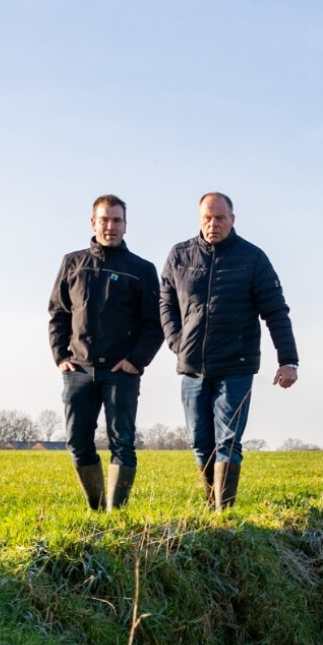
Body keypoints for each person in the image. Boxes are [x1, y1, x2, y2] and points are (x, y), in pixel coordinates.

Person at [160, 193, 299, 510]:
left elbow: (276, 311)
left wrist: (288, 361)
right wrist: (177, 343)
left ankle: (225, 514)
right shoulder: (180, 255)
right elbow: (165, 303)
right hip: (192, 366)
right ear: (199, 218)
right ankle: (211, 508)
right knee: (200, 443)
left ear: (232, 219)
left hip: (236, 366)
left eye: (220, 218)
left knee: (228, 442)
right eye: (207, 218)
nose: (213, 224)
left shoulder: (252, 258)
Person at [49, 195, 163, 510]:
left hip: (120, 372)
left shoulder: (142, 269)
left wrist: (136, 361)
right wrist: (61, 356)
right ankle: (96, 509)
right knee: (77, 442)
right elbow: (58, 314)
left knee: (122, 443)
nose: (110, 226)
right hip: (79, 370)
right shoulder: (73, 263)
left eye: (116, 220)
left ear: (125, 225)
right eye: (104, 219)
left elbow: (155, 323)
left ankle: (116, 512)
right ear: (93, 222)